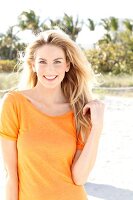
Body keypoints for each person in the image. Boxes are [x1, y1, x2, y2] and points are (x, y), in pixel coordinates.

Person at [0, 29, 105, 200]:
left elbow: (79, 178)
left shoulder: (78, 110)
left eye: (57, 61)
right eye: (42, 61)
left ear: (67, 65)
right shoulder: (14, 103)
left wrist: (97, 128)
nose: (50, 69)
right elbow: (11, 175)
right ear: (33, 65)